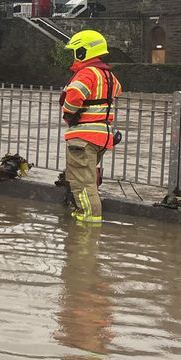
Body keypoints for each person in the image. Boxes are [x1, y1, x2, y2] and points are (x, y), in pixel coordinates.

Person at [60, 30, 124, 225]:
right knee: (89, 178)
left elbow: (74, 95)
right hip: (102, 135)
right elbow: (118, 90)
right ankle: (86, 217)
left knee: (83, 183)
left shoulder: (87, 73)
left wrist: (69, 113)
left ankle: (87, 223)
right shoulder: (109, 74)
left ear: (82, 52)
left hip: (83, 137)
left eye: (75, 50)